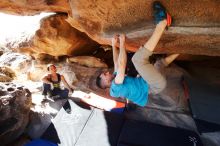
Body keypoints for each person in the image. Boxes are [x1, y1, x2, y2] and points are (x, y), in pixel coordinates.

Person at [96, 1, 179, 107]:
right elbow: (121, 64)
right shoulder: (115, 88)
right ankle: (162, 23)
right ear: (105, 83)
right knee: (137, 59)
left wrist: (113, 45)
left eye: (105, 73)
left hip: (152, 83)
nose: (107, 73)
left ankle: (181, 51)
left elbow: (116, 63)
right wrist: (122, 42)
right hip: (153, 85)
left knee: (160, 64)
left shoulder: (115, 81)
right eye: (104, 75)